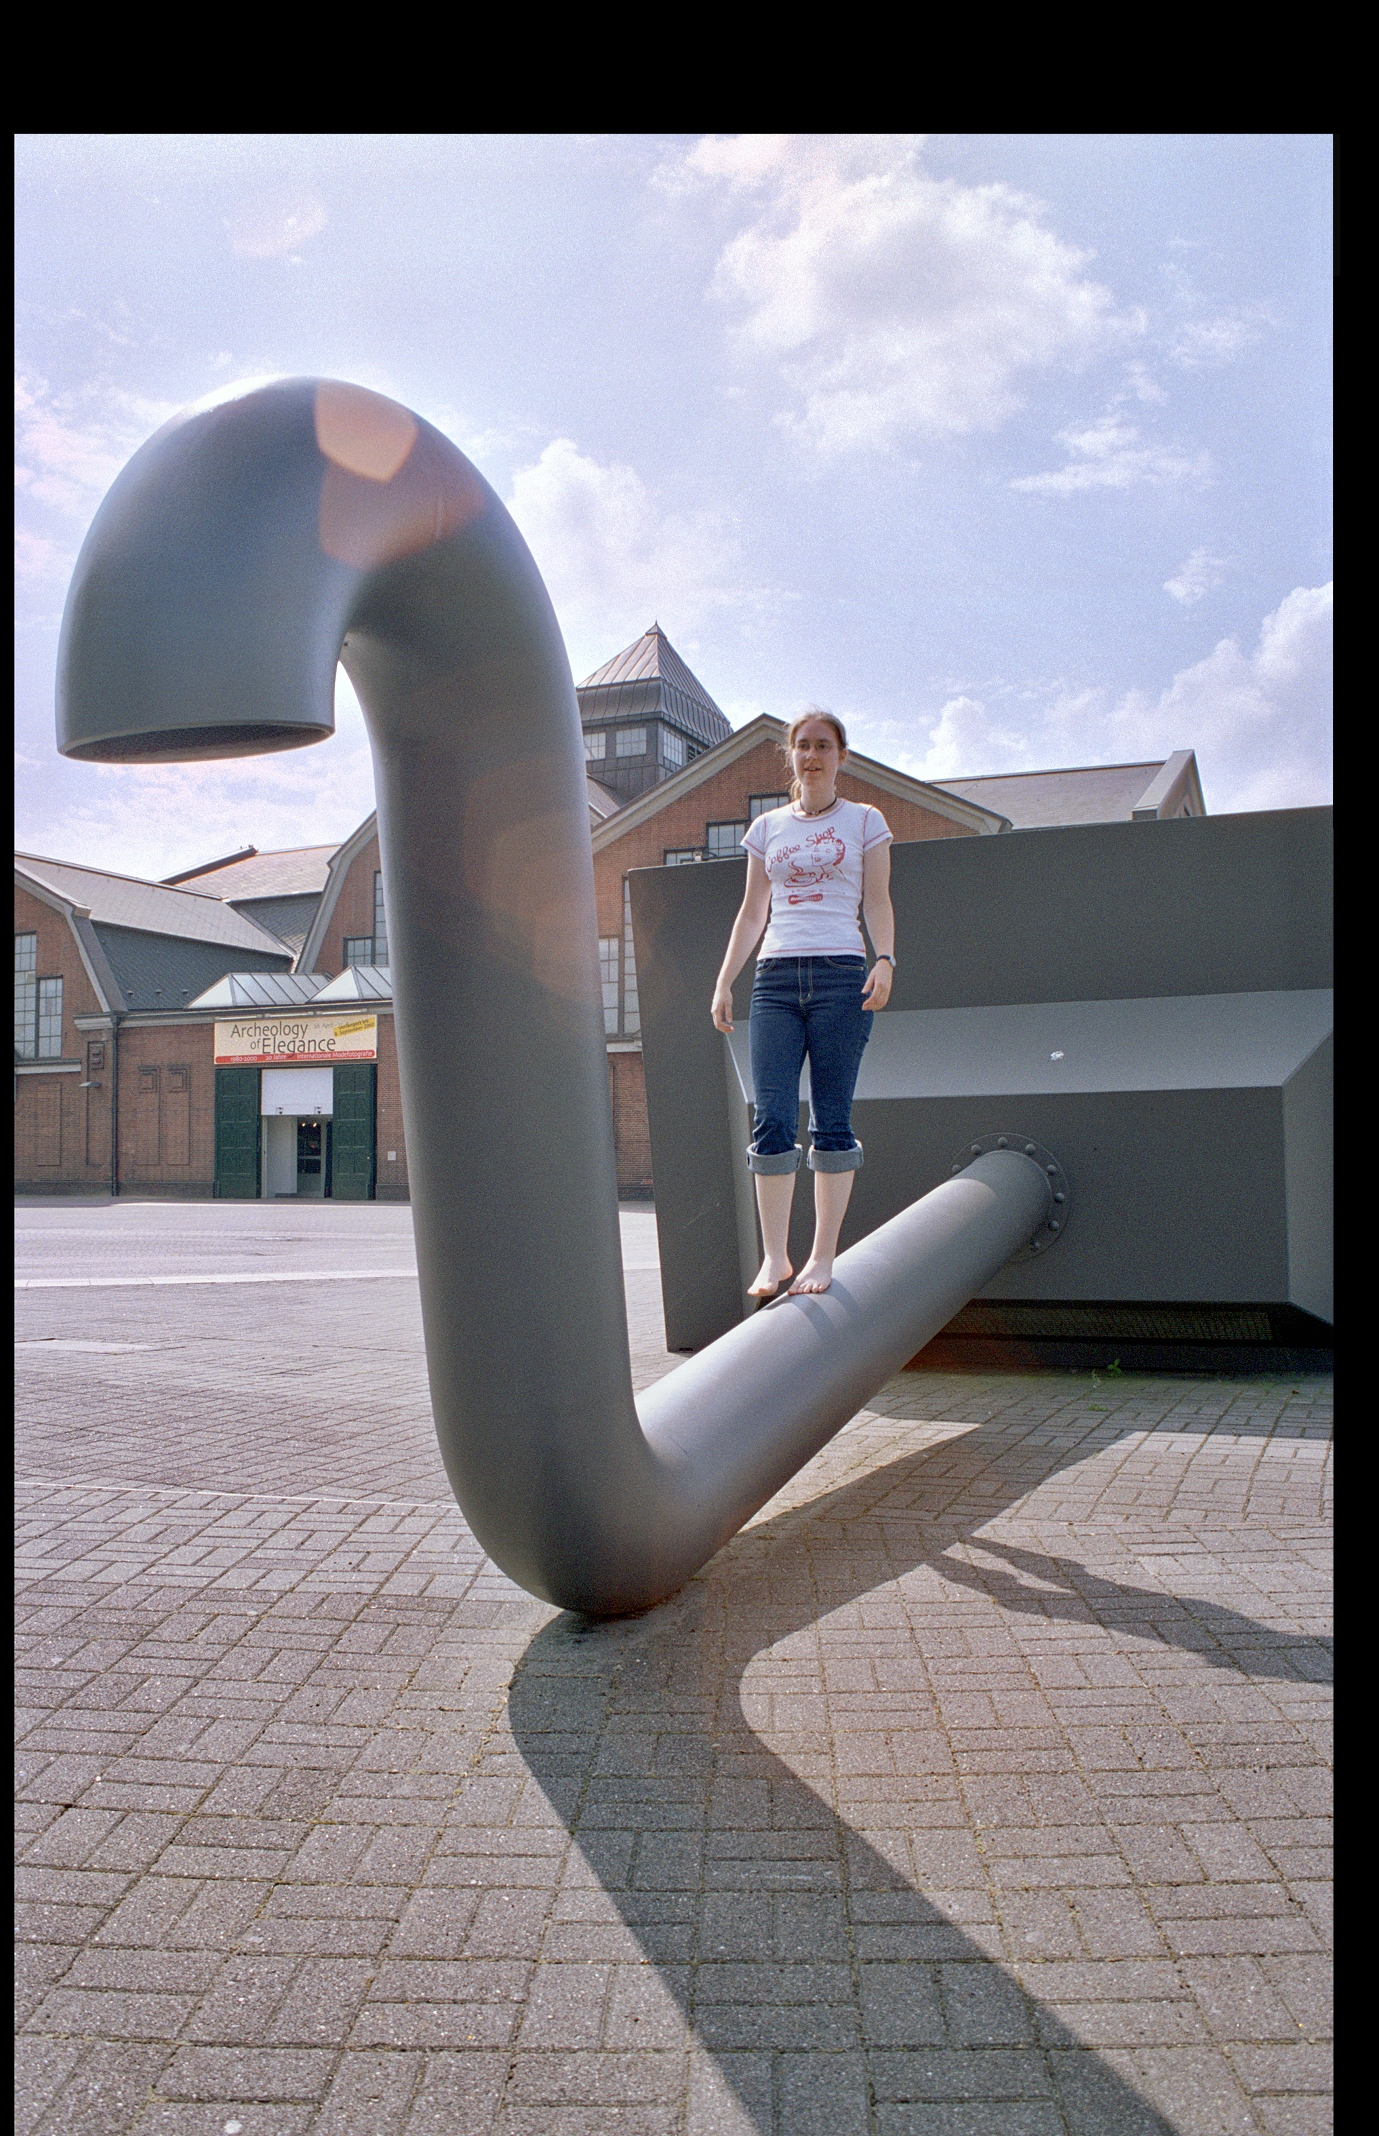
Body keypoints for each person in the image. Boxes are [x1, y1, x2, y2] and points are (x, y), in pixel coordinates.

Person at [710, 710, 895, 1296]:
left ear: (841, 756)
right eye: (802, 746)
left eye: (823, 745)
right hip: (775, 980)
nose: (811, 755)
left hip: (842, 976)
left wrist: (885, 959)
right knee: (771, 1116)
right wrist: (724, 981)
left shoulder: (865, 821)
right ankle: (775, 1257)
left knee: (832, 1119)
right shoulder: (767, 828)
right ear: (790, 756)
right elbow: (751, 913)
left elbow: (878, 900)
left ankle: (820, 1258)